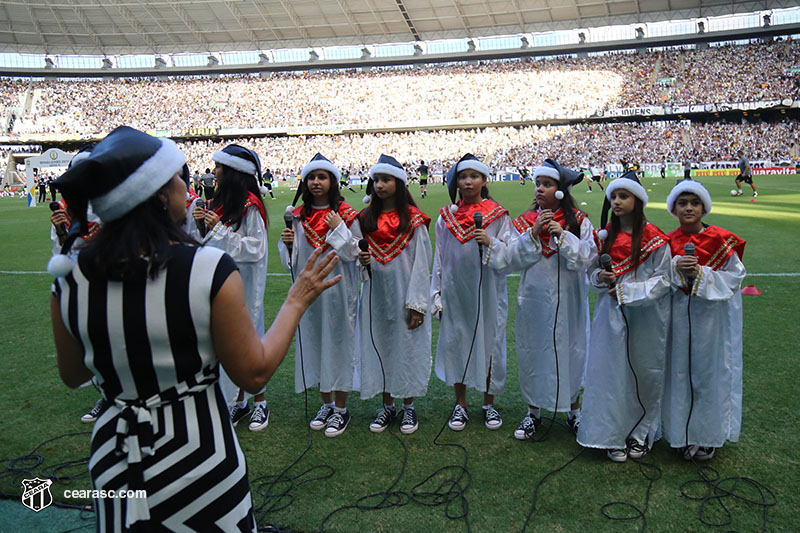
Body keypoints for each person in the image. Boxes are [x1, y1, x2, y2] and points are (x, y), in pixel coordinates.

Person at [49, 125, 341, 532]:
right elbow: (253, 371)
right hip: (198, 451)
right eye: (179, 181)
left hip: (115, 457)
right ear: (159, 195)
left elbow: (74, 373)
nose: (189, 189)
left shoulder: (68, 278)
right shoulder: (205, 268)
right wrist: (296, 300)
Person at [492, 160, 596, 440]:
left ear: (560, 190)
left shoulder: (579, 221)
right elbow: (508, 260)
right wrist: (533, 234)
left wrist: (563, 236)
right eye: (538, 184)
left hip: (570, 300)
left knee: (572, 350)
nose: (539, 189)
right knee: (533, 351)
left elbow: (588, 258)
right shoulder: (524, 222)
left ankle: (574, 412)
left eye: (546, 184)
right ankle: (533, 413)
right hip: (534, 300)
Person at [577, 171, 672, 463]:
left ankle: (640, 432)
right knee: (610, 373)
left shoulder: (655, 239)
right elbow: (590, 272)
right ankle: (610, 433)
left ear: (637, 200)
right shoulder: (605, 237)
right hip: (609, 315)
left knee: (644, 373)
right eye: (614, 196)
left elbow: (664, 280)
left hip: (646, 318)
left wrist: (629, 293)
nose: (616, 201)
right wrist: (600, 277)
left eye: (624, 196)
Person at [663, 179, 746, 461]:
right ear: (674, 208)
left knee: (709, 374)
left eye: (694, 203)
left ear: (704, 208)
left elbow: (735, 277)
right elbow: (660, 280)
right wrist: (676, 269)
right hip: (678, 318)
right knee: (679, 373)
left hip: (712, 320)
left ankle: (708, 435)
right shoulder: (667, 242)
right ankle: (682, 434)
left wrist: (701, 275)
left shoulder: (721, 239)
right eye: (683, 203)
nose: (688, 208)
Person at [279, 153, 361, 437]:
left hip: (339, 290)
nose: (316, 182)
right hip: (310, 293)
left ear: (333, 181)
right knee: (314, 342)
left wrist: (339, 228)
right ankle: (325, 403)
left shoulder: (347, 215)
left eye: (322, 177)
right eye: (312, 177)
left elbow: (355, 253)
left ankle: (341, 409)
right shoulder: (298, 217)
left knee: (339, 344)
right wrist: (287, 244)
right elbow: (291, 262)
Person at [431, 153, 511, 431]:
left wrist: (490, 243)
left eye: (473, 176)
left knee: (490, 344)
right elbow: (439, 258)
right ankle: (461, 404)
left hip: (488, 292)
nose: (467, 182)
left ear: (484, 180)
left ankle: (488, 404)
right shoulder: (446, 218)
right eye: (463, 177)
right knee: (457, 345)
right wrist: (436, 294)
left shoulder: (498, 215)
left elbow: (510, 255)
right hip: (455, 292)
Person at [194, 144, 270, 431]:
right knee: (226, 346)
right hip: (219, 285)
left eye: (219, 168)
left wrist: (218, 231)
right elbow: (209, 244)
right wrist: (202, 229)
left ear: (234, 172)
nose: (214, 173)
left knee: (250, 343)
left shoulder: (250, 205)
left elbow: (256, 249)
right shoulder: (218, 205)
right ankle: (237, 403)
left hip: (245, 285)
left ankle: (261, 404)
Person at [357, 155, 432, 435]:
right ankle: (386, 405)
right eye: (376, 180)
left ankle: (408, 405)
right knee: (380, 347)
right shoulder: (365, 220)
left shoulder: (413, 220)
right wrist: (361, 263)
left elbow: (422, 263)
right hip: (376, 297)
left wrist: (417, 304)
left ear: (398, 183)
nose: (379, 185)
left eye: (386, 180)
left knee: (406, 348)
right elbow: (357, 256)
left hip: (404, 295)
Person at [48, 145, 105, 423]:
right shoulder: (68, 210)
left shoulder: (112, 205)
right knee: (92, 341)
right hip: (83, 284)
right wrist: (61, 231)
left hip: (112, 282)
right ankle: (106, 396)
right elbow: (61, 255)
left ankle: (113, 396)